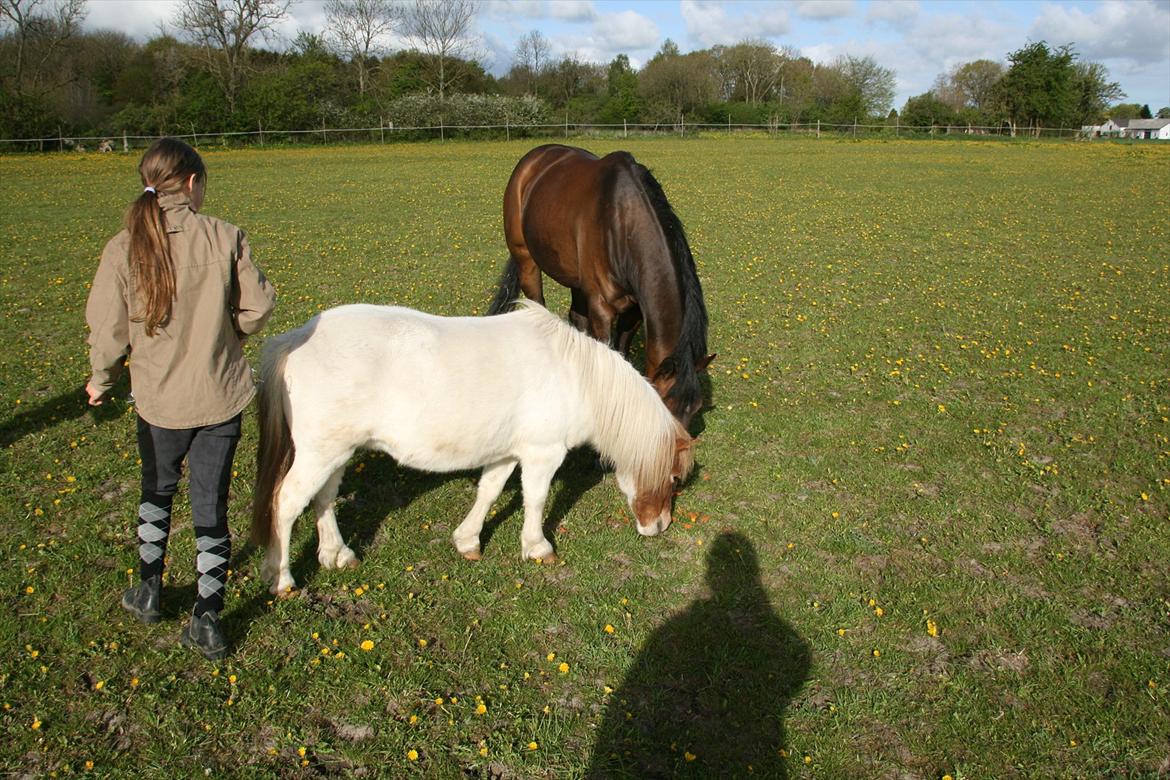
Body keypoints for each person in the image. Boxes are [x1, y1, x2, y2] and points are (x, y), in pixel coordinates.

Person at [85, 137, 276, 660]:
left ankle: (148, 589)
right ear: (192, 183)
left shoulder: (122, 246)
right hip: (220, 395)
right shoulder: (225, 236)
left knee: (157, 492)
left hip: (158, 401)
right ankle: (208, 616)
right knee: (210, 505)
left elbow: (107, 329)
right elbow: (258, 308)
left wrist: (101, 380)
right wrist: (230, 333)